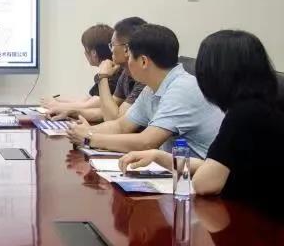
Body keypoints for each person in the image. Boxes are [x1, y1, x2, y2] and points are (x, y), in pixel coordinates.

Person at [120, 30, 284, 218]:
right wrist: (158, 156)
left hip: (258, 222)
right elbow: (214, 166)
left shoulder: (243, 115)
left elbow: (204, 184)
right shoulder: (265, 106)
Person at [67, 24, 224, 158]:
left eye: (130, 57)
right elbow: (121, 126)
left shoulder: (182, 88)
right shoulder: (152, 88)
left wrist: (90, 138)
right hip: (177, 172)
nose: (127, 63)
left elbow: (146, 142)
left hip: (201, 178)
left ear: (143, 61)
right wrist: (86, 131)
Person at [49, 17, 147, 122]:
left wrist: (102, 77)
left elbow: (113, 118)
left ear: (126, 49)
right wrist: (74, 113)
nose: (111, 50)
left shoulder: (144, 81)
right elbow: (105, 111)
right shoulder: (126, 75)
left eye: (112, 45)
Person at [41, 24, 118, 115]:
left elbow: (88, 105)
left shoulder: (112, 76)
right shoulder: (107, 72)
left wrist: (55, 105)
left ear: (94, 53)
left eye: (85, 49)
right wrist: (58, 100)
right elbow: (87, 99)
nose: (84, 53)